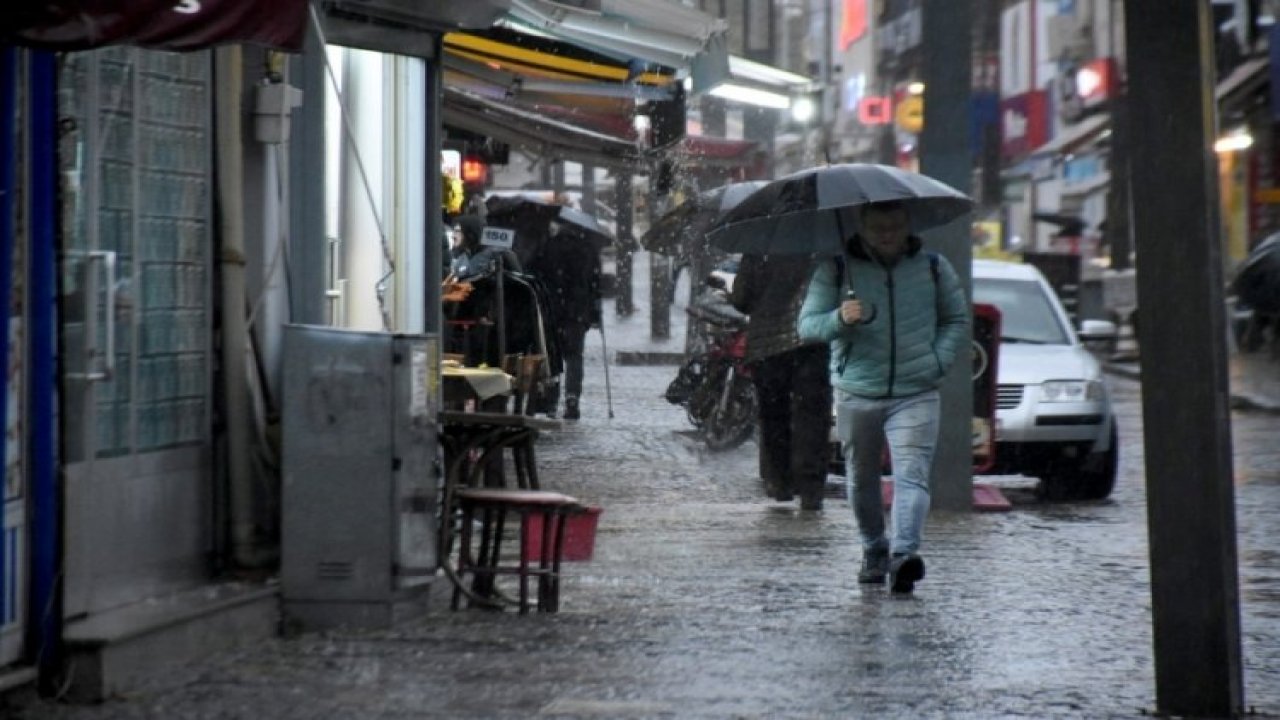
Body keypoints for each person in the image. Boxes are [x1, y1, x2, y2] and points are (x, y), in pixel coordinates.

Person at [797, 200, 969, 594]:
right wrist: (840, 317)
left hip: (917, 390)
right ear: (862, 227)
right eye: (878, 227)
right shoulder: (836, 269)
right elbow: (807, 326)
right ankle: (874, 548)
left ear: (908, 224)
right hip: (858, 390)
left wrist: (936, 361)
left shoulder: (933, 267)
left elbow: (956, 319)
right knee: (861, 479)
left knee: (912, 473)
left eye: (895, 225)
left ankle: (904, 553)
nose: (888, 234)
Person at [730, 254, 831, 510]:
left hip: (768, 345)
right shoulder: (822, 245)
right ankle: (811, 486)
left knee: (774, 413)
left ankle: (780, 481)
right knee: (813, 413)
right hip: (812, 340)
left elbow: (742, 299)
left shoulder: (761, 244)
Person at [536, 221, 603, 420]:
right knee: (574, 356)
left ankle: (551, 399)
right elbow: (595, 285)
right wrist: (594, 314)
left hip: (554, 311)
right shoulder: (588, 249)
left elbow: (540, 276)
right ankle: (572, 398)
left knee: (553, 357)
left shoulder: (549, 246)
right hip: (577, 313)